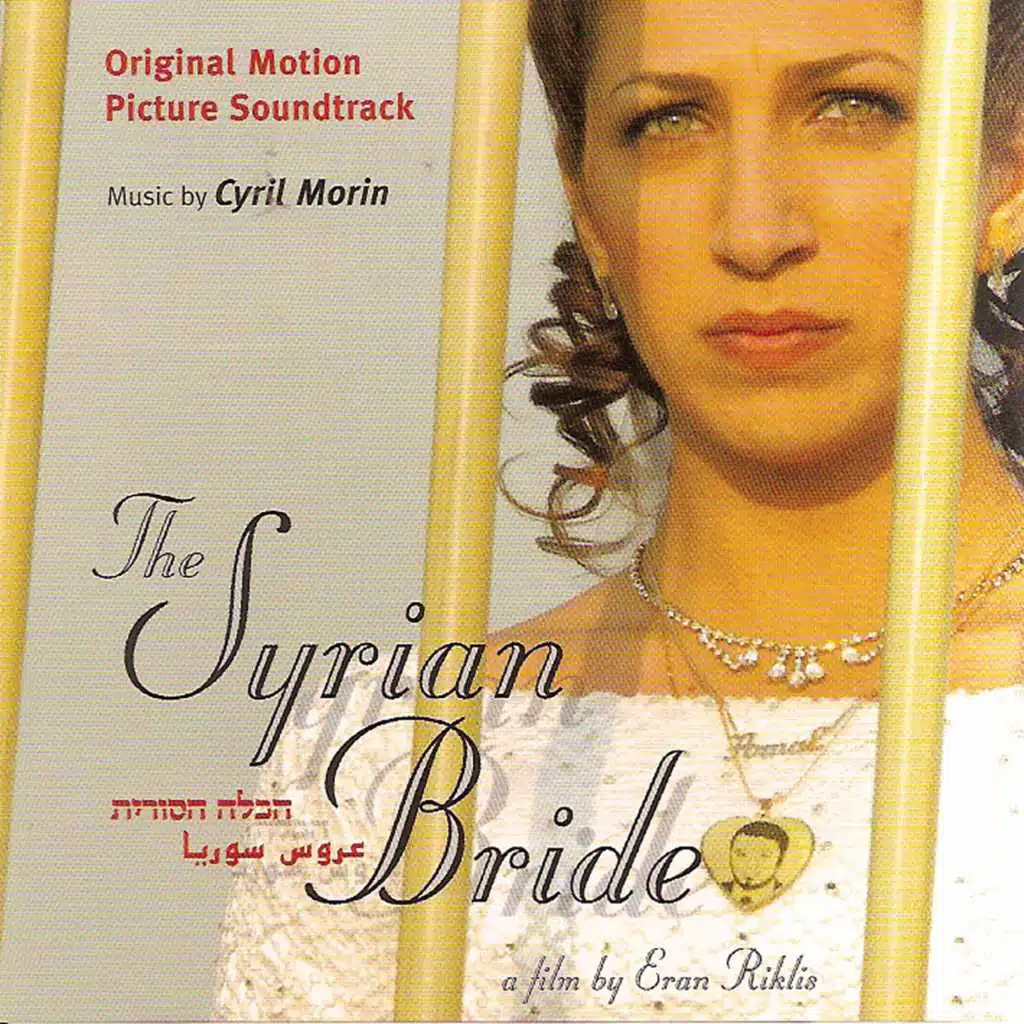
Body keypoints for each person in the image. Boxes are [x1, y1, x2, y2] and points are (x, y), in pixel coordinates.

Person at [213, 0, 1024, 1019]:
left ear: (1007, 177)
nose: (756, 231)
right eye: (667, 122)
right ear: (587, 205)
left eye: (851, 106)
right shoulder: (399, 763)